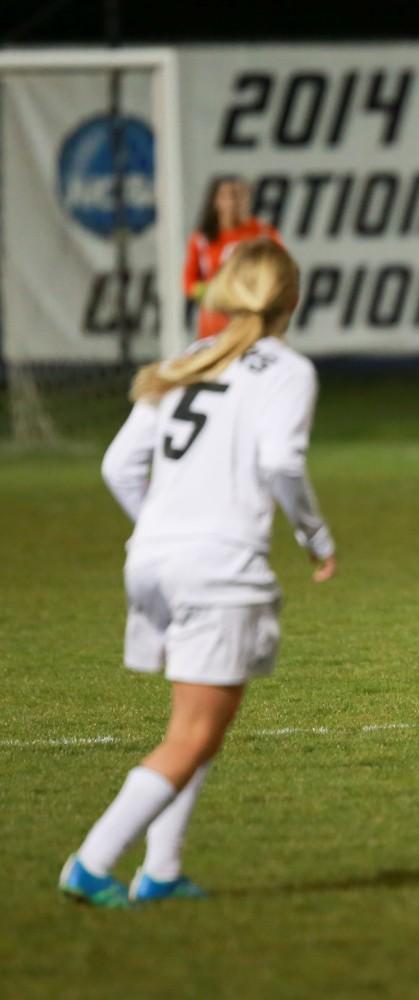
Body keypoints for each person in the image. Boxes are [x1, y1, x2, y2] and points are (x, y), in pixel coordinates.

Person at [59, 238, 336, 908]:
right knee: (194, 733)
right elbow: (280, 464)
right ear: (290, 302)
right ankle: (91, 864)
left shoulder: (184, 361)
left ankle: (161, 872)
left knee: (197, 722)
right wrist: (315, 537)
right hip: (218, 568)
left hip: (151, 561)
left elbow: (117, 466)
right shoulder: (287, 369)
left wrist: (161, 525)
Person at [183, 175, 283, 340]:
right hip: (215, 328)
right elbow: (188, 282)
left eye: (238, 195)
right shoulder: (202, 239)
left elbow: (283, 274)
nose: (232, 202)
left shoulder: (264, 234)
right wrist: (218, 295)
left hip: (256, 325)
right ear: (215, 201)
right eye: (226, 196)